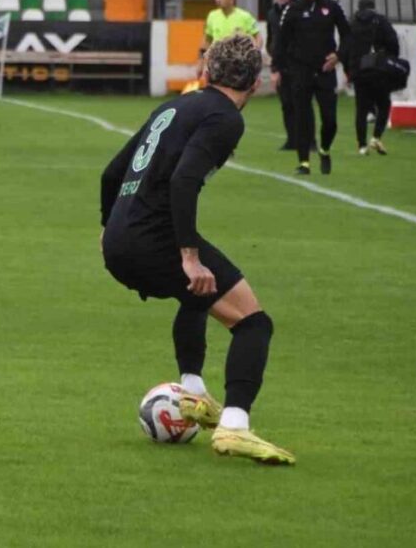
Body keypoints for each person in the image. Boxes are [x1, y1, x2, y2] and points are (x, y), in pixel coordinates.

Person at [100, 35, 295, 466]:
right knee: (253, 324)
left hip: (121, 240)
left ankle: (193, 391)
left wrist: (106, 230)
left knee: (199, 290)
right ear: (256, 81)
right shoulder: (225, 117)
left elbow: (112, 172)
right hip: (154, 237)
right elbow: (183, 181)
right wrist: (188, 254)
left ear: (207, 71)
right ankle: (234, 427)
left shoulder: (173, 106)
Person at [273, 0, 351, 176]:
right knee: (302, 117)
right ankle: (304, 162)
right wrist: (277, 68)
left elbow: (348, 35)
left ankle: (324, 150)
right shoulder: (293, 9)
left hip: (325, 71)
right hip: (300, 71)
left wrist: (338, 56)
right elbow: (280, 41)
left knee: (330, 120)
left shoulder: (332, 8)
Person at [347, 0, 400, 155]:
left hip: (359, 71)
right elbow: (393, 43)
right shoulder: (381, 21)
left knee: (361, 109)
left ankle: (362, 146)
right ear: (373, 7)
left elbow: (346, 47)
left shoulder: (352, 23)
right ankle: (376, 137)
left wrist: (349, 69)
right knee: (384, 104)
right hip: (378, 69)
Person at [266, 0, 305, 151]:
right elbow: (271, 38)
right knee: (286, 104)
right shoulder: (272, 13)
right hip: (281, 65)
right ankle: (291, 140)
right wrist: (274, 64)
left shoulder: (298, 10)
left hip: (298, 64)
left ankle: (306, 140)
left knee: (300, 104)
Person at [197, 0, 261, 78]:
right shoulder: (212, 16)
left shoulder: (245, 16)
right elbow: (207, 40)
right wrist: (201, 63)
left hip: (238, 63)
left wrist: (254, 55)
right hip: (217, 62)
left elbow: (258, 37)